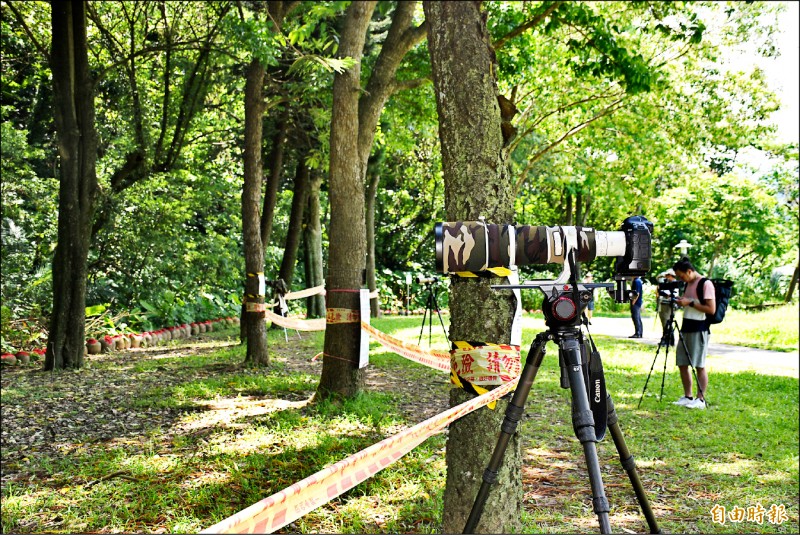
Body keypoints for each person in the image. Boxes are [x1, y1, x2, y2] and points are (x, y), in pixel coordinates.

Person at [671, 257, 716, 410]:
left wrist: (689, 303)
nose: (680, 279)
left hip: (699, 328)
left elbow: (711, 309)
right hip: (686, 326)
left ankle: (700, 399)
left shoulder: (705, 284)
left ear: (689, 271)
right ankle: (688, 395)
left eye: (681, 276)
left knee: (699, 364)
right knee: (683, 363)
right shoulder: (688, 284)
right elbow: (690, 302)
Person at [657, 269, 679, 346]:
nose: (666, 277)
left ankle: (668, 340)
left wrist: (663, 293)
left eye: (667, 275)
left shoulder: (674, 284)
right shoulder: (666, 283)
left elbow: (669, 295)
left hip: (668, 305)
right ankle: (666, 339)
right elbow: (658, 279)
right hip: (664, 304)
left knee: (667, 323)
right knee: (665, 323)